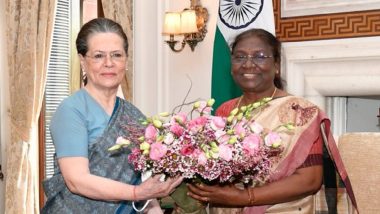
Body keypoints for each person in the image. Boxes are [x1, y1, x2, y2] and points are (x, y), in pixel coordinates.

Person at [187, 29, 358, 213]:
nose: (248, 64)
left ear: (276, 66)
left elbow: (310, 180)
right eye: (239, 57)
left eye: (260, 56)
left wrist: (246, 197)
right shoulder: (225, 111)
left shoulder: (301, 112)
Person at [41, 18, 182, 213]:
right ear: (83, 61)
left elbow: (142, 182)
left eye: (117, 55)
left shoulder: (133, 115)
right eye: (98, 56)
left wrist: (153, 206)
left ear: (125, 60)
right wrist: (136, 193)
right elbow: (76, 180)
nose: (109, 63)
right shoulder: (71, 111)